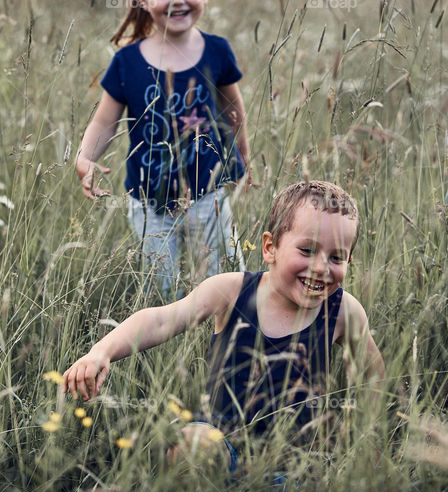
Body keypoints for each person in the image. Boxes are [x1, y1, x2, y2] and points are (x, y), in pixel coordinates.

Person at [63, 181, 385, 472]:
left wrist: (369, 438)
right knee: (192, 444)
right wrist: (101, 352)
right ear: (269, 247)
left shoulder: (343, 311)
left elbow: (373, 373)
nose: (320, 268)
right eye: (307, 250)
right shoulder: (233, 292)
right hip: (221, 453)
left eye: (336, 258)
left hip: (294, 470)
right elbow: (161, 320)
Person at [75, 0, 252, 296]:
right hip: (149, 203)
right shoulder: (127, 62)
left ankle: (224, 342)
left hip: (209, 196)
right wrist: (85, 158)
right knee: (162, 291)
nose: (177, 0)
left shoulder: (216, 52)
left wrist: (242, 158)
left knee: (225, 284)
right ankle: (170, 346)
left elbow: (233, 109)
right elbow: (104, 121)